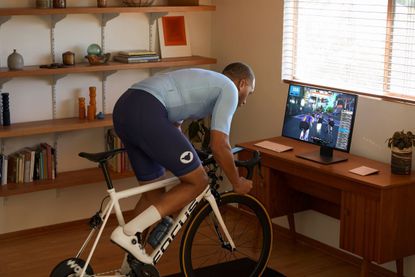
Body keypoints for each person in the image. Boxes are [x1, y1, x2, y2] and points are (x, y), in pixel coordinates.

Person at [110, 62, 256, 263]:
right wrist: (237, 183)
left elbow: (174, 128)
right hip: (147, 110)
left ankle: (130, 265)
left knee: (153, 195)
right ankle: (130, 231)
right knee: (199, 182)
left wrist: (192, 159)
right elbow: (220, 145)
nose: (247, 101)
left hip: (126, 107)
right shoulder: (229, 88)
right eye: (251, 92)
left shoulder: (204, 83)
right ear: (242, 83)